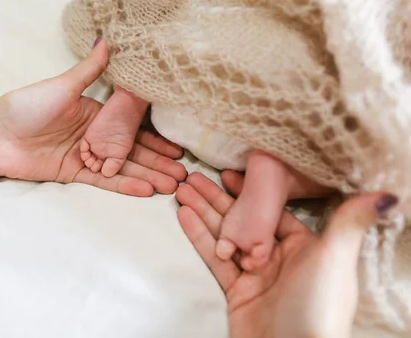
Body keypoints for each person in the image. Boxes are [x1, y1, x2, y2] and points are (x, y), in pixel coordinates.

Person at [0, 39, 398, 337]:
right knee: (338, 106)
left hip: (187, 90)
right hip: (268, 95)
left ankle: (132, 92)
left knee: (175, 32)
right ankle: (274, 168)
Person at [78, 47, 324, 272]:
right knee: (340, 167)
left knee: (163, 40)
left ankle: (132, 93)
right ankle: (275, 173)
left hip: (179, 92)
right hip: (265, 128)